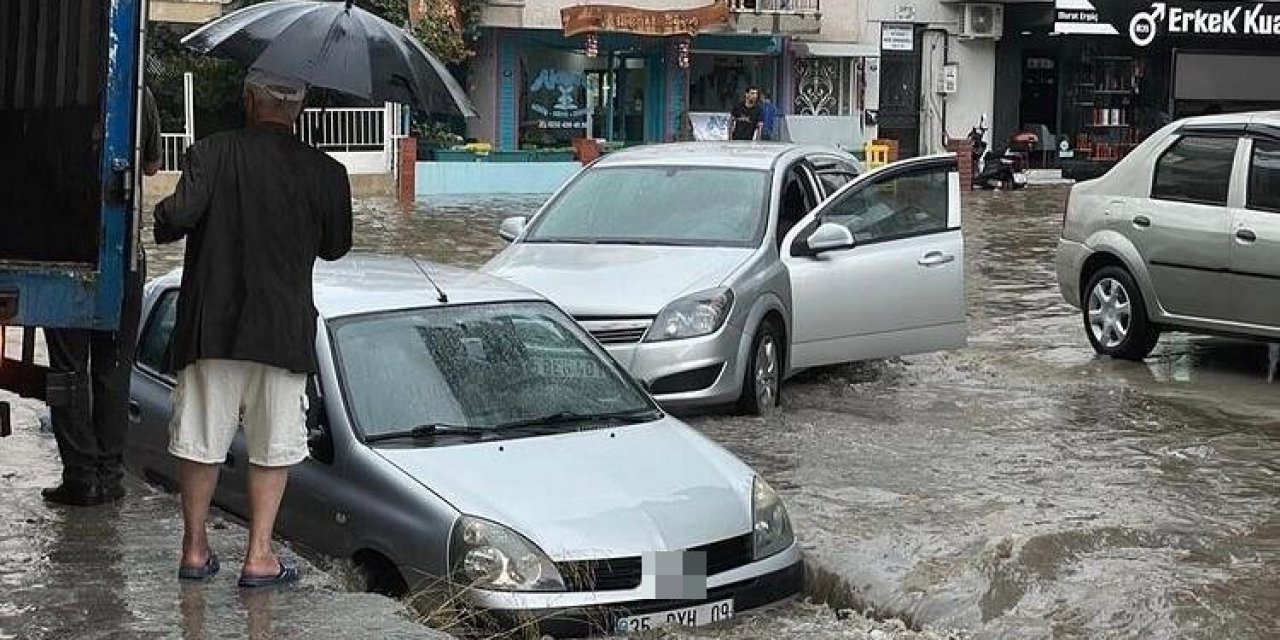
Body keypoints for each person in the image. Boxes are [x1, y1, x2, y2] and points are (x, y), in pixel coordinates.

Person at [153, 68, 352, 587]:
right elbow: (336, 247)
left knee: (199, 439)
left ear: (247, 100)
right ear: (299, 111)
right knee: (274, 445)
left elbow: (176, 218)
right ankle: (259, 556)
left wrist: (160, 211)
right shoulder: (327, 172)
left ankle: (195, 551)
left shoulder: (211, 152)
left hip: (211, 329)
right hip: (281, 332)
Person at [41, 85, 161, 507]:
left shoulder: (59, 92)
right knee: (112, 368)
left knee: (69, 370)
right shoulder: (140, 93)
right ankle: (109, 475)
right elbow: (150, 166)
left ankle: (80, 476)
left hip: (65, 250)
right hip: (122, 251)